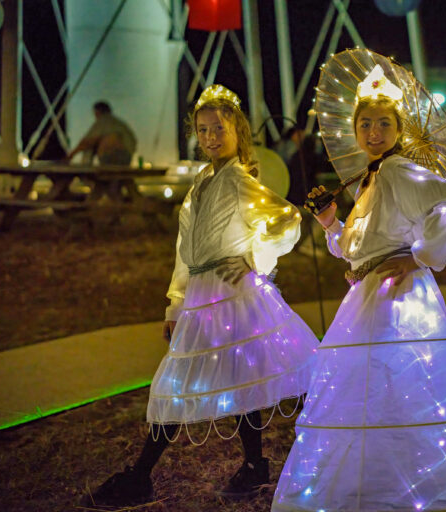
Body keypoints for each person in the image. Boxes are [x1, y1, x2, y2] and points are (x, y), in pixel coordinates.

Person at [272, 62, 446, 511]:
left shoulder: (397, 170)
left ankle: (400, 488)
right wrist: (330, 222)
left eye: (384, 123)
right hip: (367, 294)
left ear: (399, 129)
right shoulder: (370, 178)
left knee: (394, 387)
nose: (373, 131)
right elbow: (357, 247)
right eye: (365, 123)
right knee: (372, 391)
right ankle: (380, 482)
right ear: (355, 130)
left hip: (395, 299)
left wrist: (416, 255)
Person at [83, 85, 320, 507]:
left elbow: (288, 219)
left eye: (219, 129)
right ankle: (246, 466)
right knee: (211, 381)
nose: (210, 137)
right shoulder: (202, 180)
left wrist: (252, 259)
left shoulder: (240, 180)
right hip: (201, 296)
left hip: (231, 295)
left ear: (237, 130)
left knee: (218, 382)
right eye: (203, 129)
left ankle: (149, 475)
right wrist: (175, 303)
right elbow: (184, 250)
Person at [66, 101, 137, 165]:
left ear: (97, 112)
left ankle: (85, 170)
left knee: (90, 145)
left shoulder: (104, 120)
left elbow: (87, 142)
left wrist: (70, 156)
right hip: (127, 157)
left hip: (114, 157)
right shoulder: (119, 123)